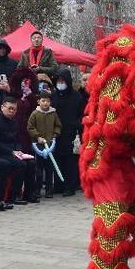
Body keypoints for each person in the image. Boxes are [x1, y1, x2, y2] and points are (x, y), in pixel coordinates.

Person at [0, 96, 37, 204]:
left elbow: (18, 140)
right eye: (9, 108)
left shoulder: (14, 122)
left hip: (13, 152)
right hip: (0, 153)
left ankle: (28, 194)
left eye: (14, 109)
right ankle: (12, 196)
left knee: (32, 162)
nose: (12, 111)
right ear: (2, 107)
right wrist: (11, 152)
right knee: (21, 165)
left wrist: (19, 151)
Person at [51, 68, 83, 196]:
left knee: (69, 160)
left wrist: (77, 125)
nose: (60, 83)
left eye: (62, 81)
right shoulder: (53, 96)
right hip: (55, 132)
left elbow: (82, 113)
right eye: (58, 81)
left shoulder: (77, 97)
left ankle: (70, 186)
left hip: (70, 131)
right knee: (57, 158)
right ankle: (58, 184)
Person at [28, 91, 62, 199]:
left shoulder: (53, 113)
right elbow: (30, 127)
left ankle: (49, 190)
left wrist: (55, 135)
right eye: (43, 101)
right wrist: (37, 137)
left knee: (49, 169)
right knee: (38, 169)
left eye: (48, 101)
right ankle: (37, 190)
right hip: (39, 145)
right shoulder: (35, 114)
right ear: (39, 102)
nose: (45, 103)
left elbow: (58, 125)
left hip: (51, 145)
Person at [10, 67, 39, 156]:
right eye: (23, 81)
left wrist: (30, 95)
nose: (24, 83)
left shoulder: (34, 96)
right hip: (16, 128)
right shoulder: (15, 96)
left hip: (29, 129)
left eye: (27, 81)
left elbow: (35, 108)